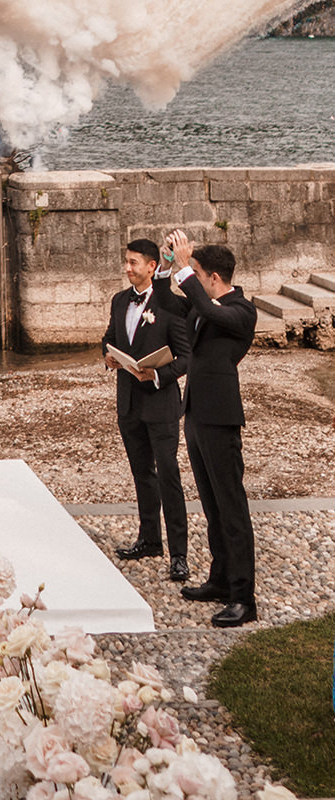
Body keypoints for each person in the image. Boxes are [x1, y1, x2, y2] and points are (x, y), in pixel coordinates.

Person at [163, 226, 258, 626]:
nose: (192, 282)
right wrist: (169, 265)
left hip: (221, 418)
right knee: (212, 505)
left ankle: (243, 598)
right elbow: (175, 301)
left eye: (197, 274)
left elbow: (207, 308)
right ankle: (219, 580)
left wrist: (186, 268)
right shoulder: (204, 309)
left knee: (232, 508)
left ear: (213, 278)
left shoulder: (240, 310)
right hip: (197, 415)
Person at [102, 236, 191, 582]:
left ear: (152, 267)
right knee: (142, 473)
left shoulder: (169, 306)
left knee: (169, 476)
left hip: (161, 403)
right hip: (128, 403)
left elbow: (185, 357)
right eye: (126, 261)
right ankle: (150, 539)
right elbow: (109, 336)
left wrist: (156, 374)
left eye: (133, 262)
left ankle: (179, 554)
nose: (127, 268)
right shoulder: (119, 300)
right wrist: (107, 355)